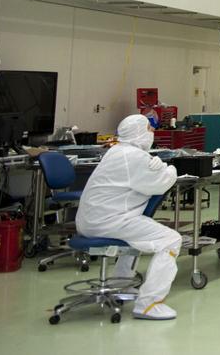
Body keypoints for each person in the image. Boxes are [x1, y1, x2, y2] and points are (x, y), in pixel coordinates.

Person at [76, 114, 181, 320]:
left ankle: (120, 285)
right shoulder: (133, 157)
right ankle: (149, 304)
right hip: (110, 221)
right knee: (170, 240)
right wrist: (170, 168)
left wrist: (154, 163)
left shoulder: (116, 151)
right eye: (149, 128)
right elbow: (160, 183)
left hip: (93, 220)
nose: (152, 132)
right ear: (139, 132)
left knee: (141, 234)